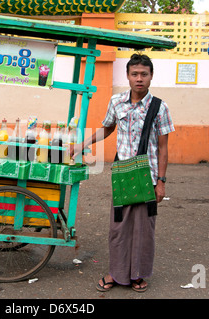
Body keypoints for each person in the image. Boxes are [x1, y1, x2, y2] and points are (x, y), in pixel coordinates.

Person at [72, 53, 174, 293]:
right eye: (135, 74)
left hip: (147, 178)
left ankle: (138, 274)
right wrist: (83, 144)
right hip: (122, 175)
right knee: (119, 227)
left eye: (144, 74)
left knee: (144, 229)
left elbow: (163, 148)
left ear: (151, 77)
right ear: (128, 76)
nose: (139, 79)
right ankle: (116, 273)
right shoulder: (117, 102)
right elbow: (108, 128)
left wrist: (161, 182)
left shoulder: (160, 107)